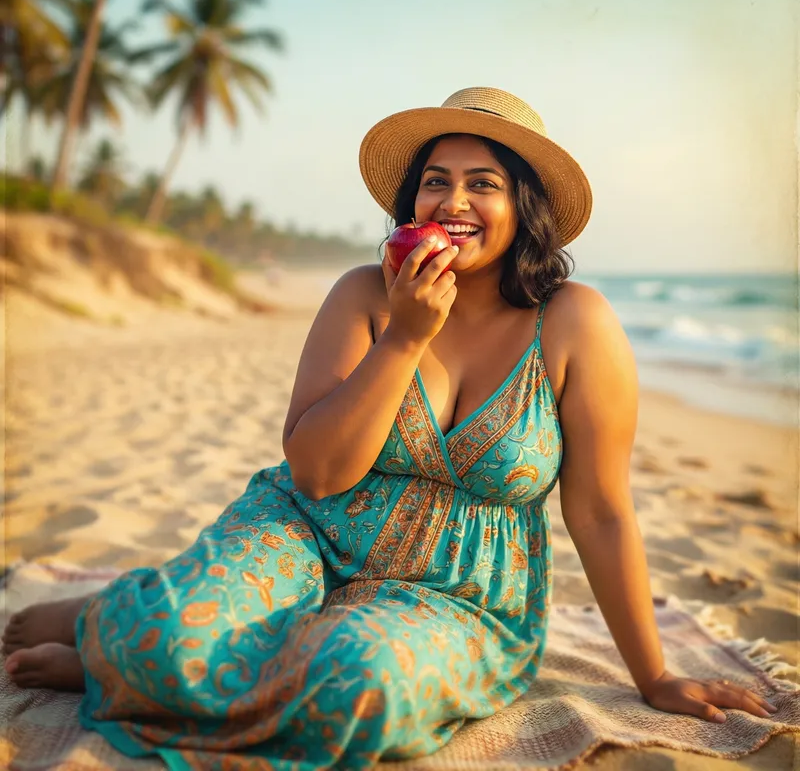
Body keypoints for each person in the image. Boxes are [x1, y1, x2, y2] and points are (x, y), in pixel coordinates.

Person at [2, 87, 776, 769]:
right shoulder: (365, 296)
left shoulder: (575, 324)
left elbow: (602, 511)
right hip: (304, 532)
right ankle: (129, 627)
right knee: (169, 634)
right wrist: (405, 337)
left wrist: (654, 676)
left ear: (525, 206)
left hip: (456, 594)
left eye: (484, 184)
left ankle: (139, 646)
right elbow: (316, 474)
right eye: (435, 182)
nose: (453, 202)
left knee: (359, 682)